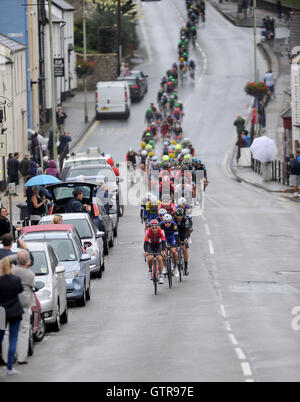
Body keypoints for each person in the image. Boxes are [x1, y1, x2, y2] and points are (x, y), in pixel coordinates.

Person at [2, 250, 35, 365]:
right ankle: (21, 357)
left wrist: (17, 256)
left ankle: (7, 358)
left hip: (8, 304)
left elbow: (4, 261)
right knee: (24, 330)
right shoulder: (30, 275)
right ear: (27, 262)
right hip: (24, 304)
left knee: (6, 331)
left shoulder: (12, 271)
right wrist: (22, 256)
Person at [0, 257, 24, 375]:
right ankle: (9, 367)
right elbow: (20, 290)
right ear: (10, 267)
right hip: (15, 311)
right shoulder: (16, 279)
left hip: (1, 312)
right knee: (13, 339)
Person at [144, 219, 166, 284]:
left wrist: (162, 250)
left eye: (156, 228)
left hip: (159, 244)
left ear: (158, 227)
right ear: (150, 228)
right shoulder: (148, 232)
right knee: (150, 258)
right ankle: (150, 270)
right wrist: (145, 251)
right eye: (152, 228)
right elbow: (145, 243)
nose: (154, 229)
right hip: (151, 245)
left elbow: (163, 242)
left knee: (160, 258)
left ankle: (161, 276)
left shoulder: (161, 231)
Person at [174, 208, 190, 275]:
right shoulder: (173, 220)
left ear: (183, 215)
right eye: (178, 215)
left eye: (181, 215)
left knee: (184, 249)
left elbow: (187, 230)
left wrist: (186, 238)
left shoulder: (186, 219)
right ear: (176, 215)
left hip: (183, 233)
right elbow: (172, 231)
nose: (179, 217)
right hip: (175, 233)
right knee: (174, 249)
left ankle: (186, 268)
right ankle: (174, 264)